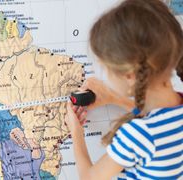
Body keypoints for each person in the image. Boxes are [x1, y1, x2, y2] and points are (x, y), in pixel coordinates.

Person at [65, 0, 183, 179]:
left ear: (129, 76)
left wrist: (76, 131)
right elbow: (156, 116)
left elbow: (89, 177)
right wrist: (113, 98)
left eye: (107, 69)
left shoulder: (138, 134)